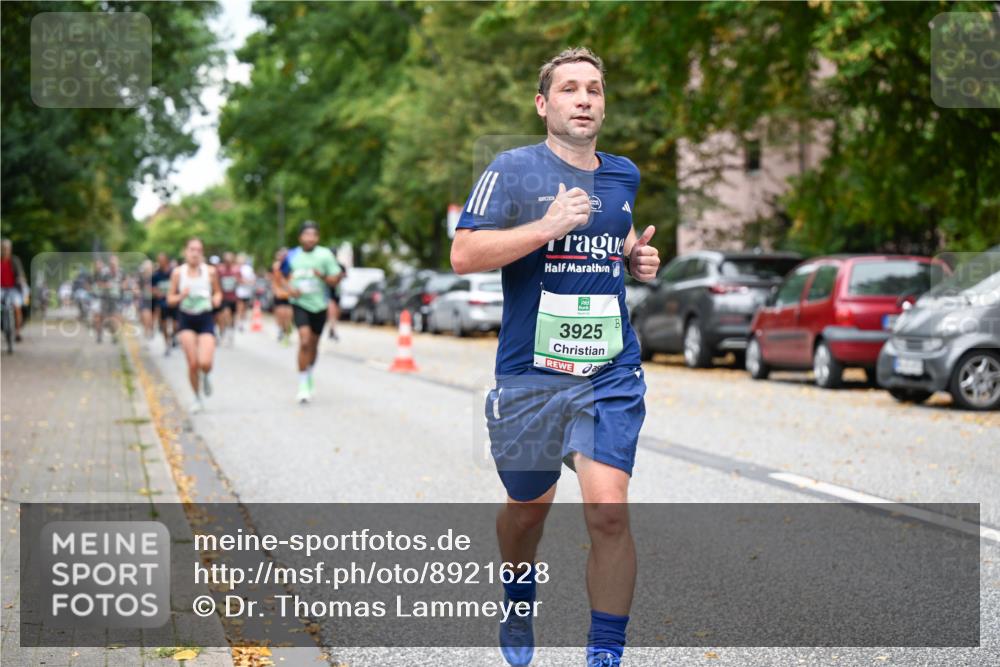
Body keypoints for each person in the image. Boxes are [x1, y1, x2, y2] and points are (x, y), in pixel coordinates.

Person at [449, 48, 660, 667]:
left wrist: (633, 258)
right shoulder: (511, 170)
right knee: (525, 512)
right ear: (544, 105)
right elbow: (464, 255)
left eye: (593, 89)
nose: (584, 99)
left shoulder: (623, 175)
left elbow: (613, 235)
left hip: (607, 371)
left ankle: (605, 655)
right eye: (569, 89)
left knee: (610, 515)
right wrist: (544, 227)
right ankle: (518, 593)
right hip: (530, 376)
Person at [277, 221, 343, 403]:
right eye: (307, 235)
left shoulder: (325, 255)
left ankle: (309, 371)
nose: (310, 238)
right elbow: (279, 275)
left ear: (318, 237)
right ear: (300, 237)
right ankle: (303, 384)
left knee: (313, 344)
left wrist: (321, 275)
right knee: (304, 340)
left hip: (319, 305)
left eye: (314, 235)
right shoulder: (292, 255)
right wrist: (289, 290)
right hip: (300, 303)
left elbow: (335, 280)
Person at [168, 238, 222, 413]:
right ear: (186, 251)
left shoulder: (211, 272)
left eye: (199, 249)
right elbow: (170, 299)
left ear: (202, 253)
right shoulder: (178, 273)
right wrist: (181, 296)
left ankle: (205, 375)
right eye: (192, 249)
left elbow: (218, 292)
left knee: (205, 362)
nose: (195, 253)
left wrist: (216, 299)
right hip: (186, 319)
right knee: (192, 364)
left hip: (205, 318)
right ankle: (197, 398)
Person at [0, 239, 28, 343]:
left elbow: (20, 273)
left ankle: (17, 332)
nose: (5, 250)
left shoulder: (14, 260)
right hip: (1, 289)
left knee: (17, 306)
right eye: (3, 248)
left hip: (13, 289)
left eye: (7, 248)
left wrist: (21, 279)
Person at [151, 253, 177, 355]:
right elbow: (152, 288)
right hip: (162, 303)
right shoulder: (156, 275)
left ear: (166, 261)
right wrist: (157, 293)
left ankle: (173, 336)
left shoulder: (174, 273)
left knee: (176, 325)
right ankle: (167, 344)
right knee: (164, 325)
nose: (160, 262)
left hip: (174, 303)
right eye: (159, 260)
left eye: (162, 260)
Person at [216, 251, 241, 345]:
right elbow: (216, 282)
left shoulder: (236, 270)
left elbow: (240, 281)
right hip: (224, 297)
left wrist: (238, 280)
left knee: (232, 317)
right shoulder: (220, 270)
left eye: (229, 260)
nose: (228, 262)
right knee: (225, 314)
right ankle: (224, 332)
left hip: (233, 298)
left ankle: (230, 331)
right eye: (226, 260)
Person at [270, 247, 293, 345]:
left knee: (288, 314)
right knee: (280, 313)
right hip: (279, 293)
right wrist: (275, 290)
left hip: (289, 293)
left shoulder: (292, 265)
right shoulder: (276, 266)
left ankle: (286, 332)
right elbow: (274, 279)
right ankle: (281, 329)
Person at [235, 253, 255, 331]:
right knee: (239, 308)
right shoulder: (236, 268)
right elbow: (237, 279)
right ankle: (239, 323)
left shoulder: (248, 269)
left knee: (244, 309)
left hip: (247, 292)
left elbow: (253, 279)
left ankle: (242, 323)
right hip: (239, 292)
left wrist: (247, 282)